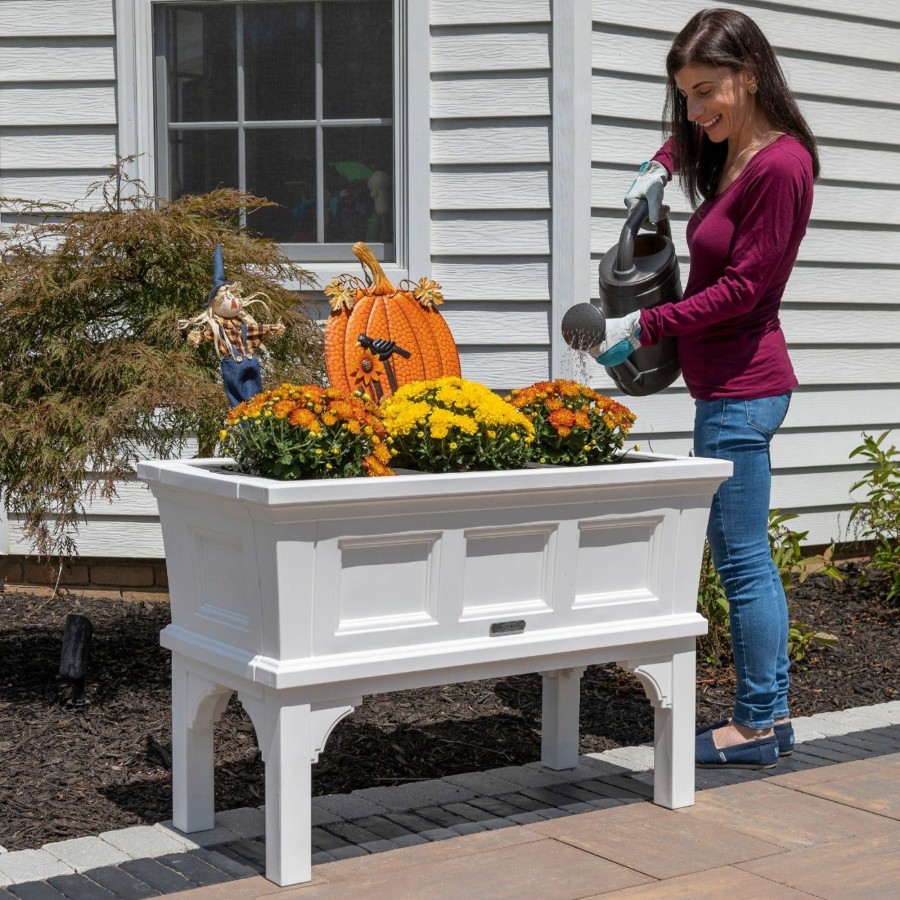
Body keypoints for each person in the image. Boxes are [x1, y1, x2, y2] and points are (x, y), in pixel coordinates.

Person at [593, 8, 819, 768]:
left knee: (742, 559)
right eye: (685, 96)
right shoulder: (727, 146)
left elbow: (749, 289)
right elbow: (686, 139)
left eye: (706, 92)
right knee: (739, 554)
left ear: (749, 75)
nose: (694, 112)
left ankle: (760, 725)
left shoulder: (781, 166)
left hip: (744, 387)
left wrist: (648, 326)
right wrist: (660, 163)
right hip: (724, 383)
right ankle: (769, 716)